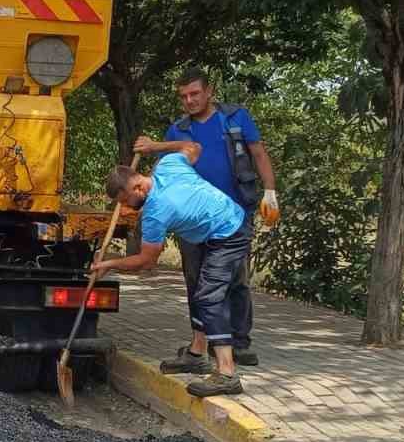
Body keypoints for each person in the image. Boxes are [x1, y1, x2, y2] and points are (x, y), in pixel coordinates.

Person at [141, 69, 280, 375]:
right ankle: (200, 346)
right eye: (183, 96)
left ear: (209, 92)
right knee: (196, 280)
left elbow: (258, 153)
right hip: (193, 221)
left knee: (236, 280)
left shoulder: (235, 118)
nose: (189, 101)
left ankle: (238, 343)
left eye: (194, 94)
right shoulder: (177, 130)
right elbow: (162, 171)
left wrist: (269, 191)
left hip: (235, 215)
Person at [92, 142, 252, 397]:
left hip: (229, 232)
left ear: (137, 187)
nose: (124, 207)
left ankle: (227, 374)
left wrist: (108, 264)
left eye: (125, 200)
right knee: (200, 292)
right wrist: (155, 147)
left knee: (209, 297)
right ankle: (197, 355)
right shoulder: (168, 164)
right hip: (216, 230)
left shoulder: (156, 212)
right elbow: (194, 147)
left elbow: (146, 261)